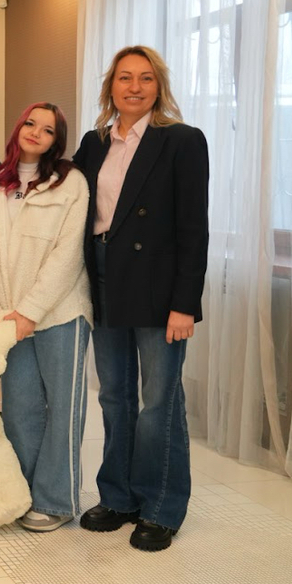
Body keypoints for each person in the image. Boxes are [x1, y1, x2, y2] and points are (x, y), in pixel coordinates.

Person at [73, 46, 208, 552]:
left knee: (159, 401)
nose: (134, 87)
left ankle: (161, 507)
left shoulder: (182, 140)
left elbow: (193, 229)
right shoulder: (93, 143)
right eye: (125, 78)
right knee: (114, 395)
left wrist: (184, 304)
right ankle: (119, 497)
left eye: (145, 78)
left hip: (157, 283)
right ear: (110, 86)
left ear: (159, 86)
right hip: (104, 274)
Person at [0, 103, 91, 532]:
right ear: (18, 128)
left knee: (63, 408)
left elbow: (68, 254)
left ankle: (56, 500)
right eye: (30, 124)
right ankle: (23, 494)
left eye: (48, 129)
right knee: (19, 409)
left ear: (57, 140)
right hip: (8, 318)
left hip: (61, 312)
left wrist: (31, 311)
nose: (36, 132)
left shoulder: (71, 182)